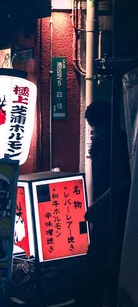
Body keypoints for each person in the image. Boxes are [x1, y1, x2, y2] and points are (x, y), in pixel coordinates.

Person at [76, 101, 131, 307]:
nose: (92, 128)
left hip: (116, 211)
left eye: (94, 123)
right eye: (90, 124)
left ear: (105, 121)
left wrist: (98, 205)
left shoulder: (118, 141)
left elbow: (122, 181)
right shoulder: (101, 140)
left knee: (102, 257)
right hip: (103, 208)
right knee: (97, 257)